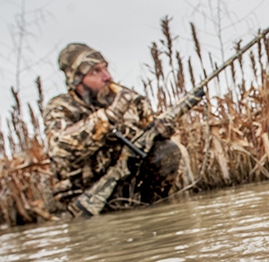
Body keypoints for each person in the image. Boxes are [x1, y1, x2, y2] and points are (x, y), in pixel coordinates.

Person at [44, 43, 200, 216]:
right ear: (77, 79)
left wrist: (163, 129)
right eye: (95, 71)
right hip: (83, 202)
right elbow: (60, 149)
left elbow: (150, 132)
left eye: (105, 68)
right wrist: (108, 117)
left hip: (128, 187)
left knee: (166, 150)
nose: (107, 77)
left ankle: (158, 213)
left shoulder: (126, 100)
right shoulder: (61, 107)